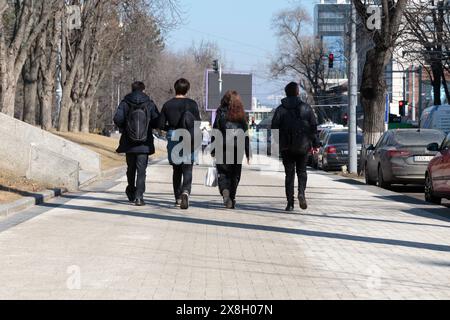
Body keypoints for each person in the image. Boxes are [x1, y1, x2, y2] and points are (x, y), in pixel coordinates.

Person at [271, 82, 319, 212]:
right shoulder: (306, 108)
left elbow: (274, 128)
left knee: (289, 175)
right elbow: (313, 127)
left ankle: (290, 204)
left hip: (286, 147)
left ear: (286, 93)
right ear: (298, 92)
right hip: (303, 146)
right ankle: (301, 193)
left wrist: (278, 143)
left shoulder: (281, 109)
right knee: (302, 172)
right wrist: (315, 144)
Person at [113, 81, 160, 207]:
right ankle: (139, 197)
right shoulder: (149, 103)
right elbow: (157, 121)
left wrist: (126, 128)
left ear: (132, 89)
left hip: (129, 142)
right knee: (141, 170)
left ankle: (131, 189)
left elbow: (117, 119)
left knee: (131, 168)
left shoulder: (125, 102)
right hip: (144, 143)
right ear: (143, 90)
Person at [159, 78, 201, 209]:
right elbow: (197, 123)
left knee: (176, 170)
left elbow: (160, 124)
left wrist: (170, 129)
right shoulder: (192, 104)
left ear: (175, 88)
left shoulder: (168, 104)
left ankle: (177, 198)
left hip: (174, 135)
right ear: (187, 89)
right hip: (189, 136)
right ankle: (186, 191)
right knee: (188, 167)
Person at [212, 91, 251, 209]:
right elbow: (245, 134)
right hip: (237, 148)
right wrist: (248, 152)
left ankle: (225, 192)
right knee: (235, 175)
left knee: (223, 173)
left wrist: (213, 148)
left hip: (222, 146)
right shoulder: (241, 114)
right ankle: (232, 197)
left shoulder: (220, 111)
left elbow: (215, 130)